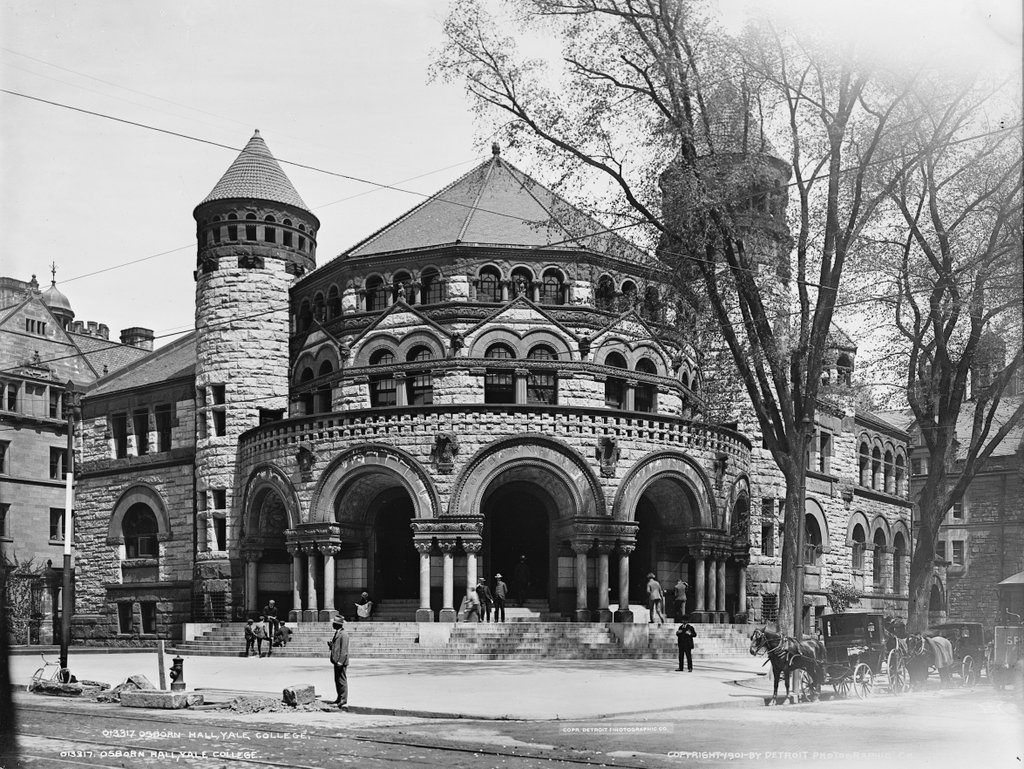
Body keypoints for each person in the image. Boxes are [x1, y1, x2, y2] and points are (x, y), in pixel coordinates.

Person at [326, 616, 350, 709]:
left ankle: (343, 699)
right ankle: (339, 698)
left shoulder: (344, 634)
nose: (332, 624)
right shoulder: (337, 633)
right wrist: (331, 645)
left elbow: (344, 650)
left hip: (341, 662)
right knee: (337, 680)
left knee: (342, 681)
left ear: (337, 624)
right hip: (336, 661)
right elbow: (337, 647)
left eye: (333, 623)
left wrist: (340, 662)